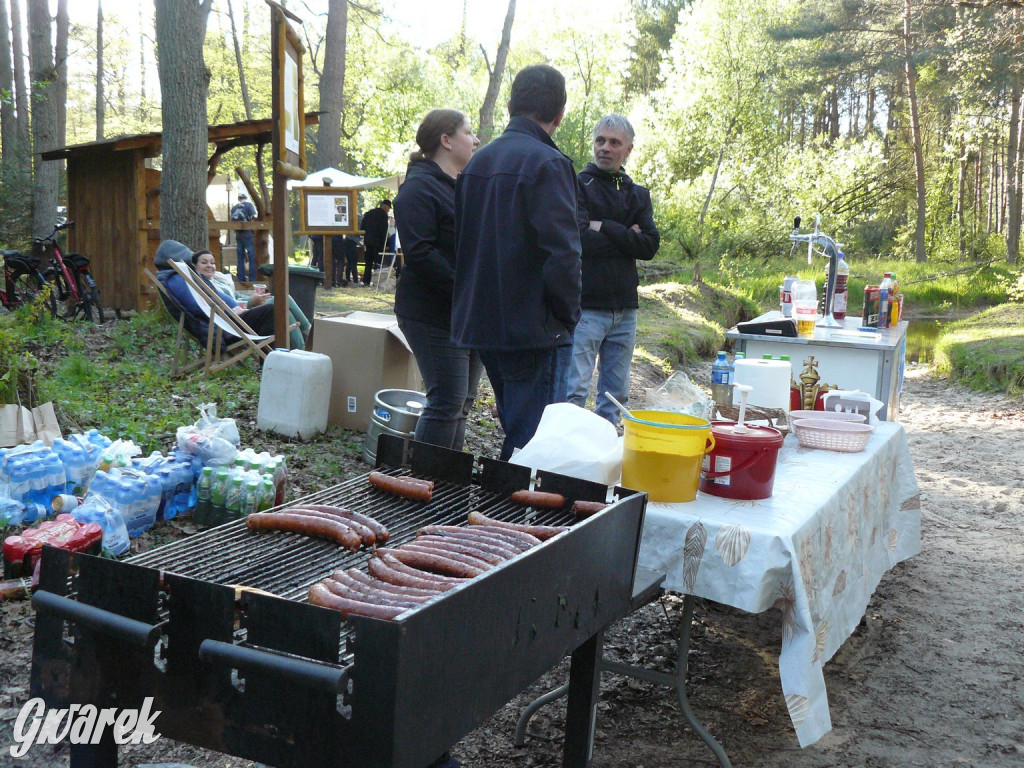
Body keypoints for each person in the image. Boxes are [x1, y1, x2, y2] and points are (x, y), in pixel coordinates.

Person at [452, 64, 582, 461]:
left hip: (485, 321)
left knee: (518, 429)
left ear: (509, 105)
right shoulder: (548, 164)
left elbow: (464, 243)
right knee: (534, 443)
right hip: (533, 327)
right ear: (560, 115)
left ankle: (499, 514)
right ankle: (514, 520)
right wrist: (568, 315)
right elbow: (562, 252)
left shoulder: (477, 163)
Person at [394, 109, 484, 452]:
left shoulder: (460, 186)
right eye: (468, 132)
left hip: (467, 312)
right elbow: (421, 254)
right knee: (446, 400)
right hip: (431, 313)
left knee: (462, 402)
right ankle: (425, 484)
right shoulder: (418, 188)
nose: (475, 139)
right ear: (446, 140)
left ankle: (447, 484)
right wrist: (467, 290)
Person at [567, 114, 660, 424]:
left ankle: (601, 457)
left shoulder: (638, 194)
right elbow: (578, 240)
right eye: (600, 140)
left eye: (614, 142)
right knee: (574, 391)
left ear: (628, 149)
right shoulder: (578, 184)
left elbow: (648, 246)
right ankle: (563, 461)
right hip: (586, 307)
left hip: (625, 308)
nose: (605, 148)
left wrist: (603, 225)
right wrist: (626, 234)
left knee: (615, 395)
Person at [164, 249, 309, 350]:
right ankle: (307, 337)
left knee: (283, 309)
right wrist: (250, 303)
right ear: (195, 267)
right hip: (233, 319)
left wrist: (254, 299)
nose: (210, 266)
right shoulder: (201, 285)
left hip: (240, 313)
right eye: (204, 262)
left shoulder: (218, 281)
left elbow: (236, 297)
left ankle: (300, 349)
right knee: (281, 302)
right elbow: (209, 307)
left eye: (212, 262)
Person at [359, 199, 391, 286]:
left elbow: (362, 227)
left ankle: (366, 281)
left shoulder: (369, 213)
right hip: (378, 243)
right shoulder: (383, 216)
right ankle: (377, 282)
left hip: (368, 242)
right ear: (385, 207)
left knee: (368, 263)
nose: (388, 210)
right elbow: (384, 231)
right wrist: (387, 244)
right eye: (388, 208)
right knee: (377, 263)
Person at [230, 193, 258, 283]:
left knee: (240, 257)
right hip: (248, 234)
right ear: (246, 198)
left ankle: (241, 278)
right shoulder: (249, 205)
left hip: (238, 235)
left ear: (239, 199)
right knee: (251, 257)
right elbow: (253, 218)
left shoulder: (234, 208)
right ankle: (252, 279)